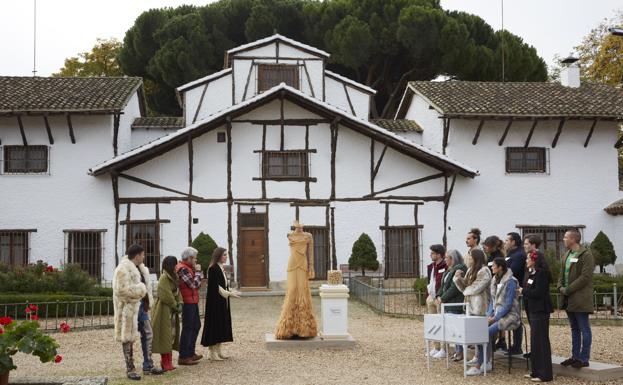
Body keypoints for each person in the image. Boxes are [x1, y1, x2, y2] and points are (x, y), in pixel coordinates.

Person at [468, 257, 521, 376]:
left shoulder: (511, 281)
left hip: (510, 315)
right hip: (497, 313)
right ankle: (486, 361)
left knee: (485, 333)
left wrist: (495, 318)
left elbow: (508, 304)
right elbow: (492, 301)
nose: (491, 267)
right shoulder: (494, 280)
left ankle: (479, 365)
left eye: (494, 266)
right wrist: (487, 315)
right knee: (479, 329)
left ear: (500, 267)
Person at [275, 220, 318, 339]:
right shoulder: (290, 235)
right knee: (292, 291)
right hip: (292, 265)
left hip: (303, 265)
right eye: (298, 226)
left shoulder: (308, 236)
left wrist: (311, 267)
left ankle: (304, 329)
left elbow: (311, 253)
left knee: (303, 291)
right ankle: (287, 328)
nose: (299, 227)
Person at [557, 230, 594, 369]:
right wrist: (560, 286)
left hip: (580, 298)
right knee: (574, 328)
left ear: (573, 239)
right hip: (568, 298)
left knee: (584, 328)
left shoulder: (586, 254)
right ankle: (575, 357)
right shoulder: (566, 254)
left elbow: (585, 277)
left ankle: (584, 358)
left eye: (566, 237)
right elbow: (561, 274)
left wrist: (568, 289)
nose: (563, 239)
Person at [113, 244, 149, 381]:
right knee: (127, 338)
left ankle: (148, 364)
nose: (144, 257)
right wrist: (140, 290)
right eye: (143, 254)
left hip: (140, 307)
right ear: (137, 255)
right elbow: (121, 291)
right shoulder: (122, 269)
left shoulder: (140, 268)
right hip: (128, 309)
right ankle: (130, 368)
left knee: (148, 333)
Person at [520, 235, 553, 382]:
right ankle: (535, 371)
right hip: (532, 309)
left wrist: (522, 291)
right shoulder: (530, 273)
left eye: (528, 258)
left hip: (540, 310)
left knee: (541, 342)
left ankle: (545, 373)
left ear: (534, 260)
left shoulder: (542, 274)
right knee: (534, 342)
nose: (526, 261)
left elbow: (538, 293)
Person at [453, 248, 492, 371]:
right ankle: (480, 358)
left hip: (481, 307)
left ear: (476, 258)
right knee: (476, 335)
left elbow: (476, 288)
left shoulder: (484, 270)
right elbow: (465, 286)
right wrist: (458, 278)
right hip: (471, 307)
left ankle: (487, 361)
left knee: (484, 336)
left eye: (470, 257)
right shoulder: (470, 270)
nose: (467, 259)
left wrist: (465, 291)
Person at [201, 247, 241, 360]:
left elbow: (223, 285)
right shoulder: (213, 268)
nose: (226, 257)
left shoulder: (220, 267)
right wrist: (229, 294)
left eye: (226, 255)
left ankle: (219, 350)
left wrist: (231, 291)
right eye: (224, 255)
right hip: (215, 302)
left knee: (221, 324)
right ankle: (212, 352)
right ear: (218, 255)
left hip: (222, 301)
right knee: (215, 324)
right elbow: (216, 287)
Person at [152, 255, 183, 372]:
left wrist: (180, 302)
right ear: (171, 265)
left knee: (172, 334)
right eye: (175, 264)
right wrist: (175, 305)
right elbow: (166, 294)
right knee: (166, 335)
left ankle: (168, 361)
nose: (177, 266)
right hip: (164, 310)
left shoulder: (174, 276)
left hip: (171, 310)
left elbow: (177, 292)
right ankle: (165, 362)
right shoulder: (164, 278)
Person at [435, 249, 467, 361]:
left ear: (452, 259)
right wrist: (438, 295)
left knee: (457, 329)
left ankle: (460, 352)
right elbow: (442, 285)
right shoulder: (449, 269)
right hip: (447, 303)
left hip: (454, 302)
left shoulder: (460, 268)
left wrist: (443, 298)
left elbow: (454, 288)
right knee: (452, 329)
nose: (445, 259)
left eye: (447, 257)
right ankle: (457, 351)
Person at [176, 246, 204, 365]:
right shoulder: (183, 269)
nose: (196, 261)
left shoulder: (187, 268)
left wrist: (197, 275)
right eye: (195, 259)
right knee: (188, 328)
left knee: (196, 325)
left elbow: (197, 284)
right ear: (190, 258)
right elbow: (193, 285)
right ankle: (183, 356)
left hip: (192, 300)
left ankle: (190, 353)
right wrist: (198, 272)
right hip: (188, 302)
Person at [504, 232, 527, 355]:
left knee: (516, 318)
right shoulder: (510, 254)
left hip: (515, 291)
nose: (505, 242)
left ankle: (517, 346)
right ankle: (512, 344)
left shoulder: (519, 255)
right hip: (507, 290)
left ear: (513, 242)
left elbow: (511, 271)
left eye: (507, 240)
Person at [483, 235, 507, 351]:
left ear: (492, 246)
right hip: (492, 287)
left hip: (497, 289)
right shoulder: (490, 256)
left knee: (494, 314)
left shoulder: (498, 256)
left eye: (487, 246)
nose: (485, 248)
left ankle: (496, 340)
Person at [426, 244, 448, 358]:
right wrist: (428, 296)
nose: (431, 255)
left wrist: (441, 296)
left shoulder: (445, 265)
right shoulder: (431, 266)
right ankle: (436, 347)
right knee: (433, 323)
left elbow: (445, 283)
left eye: (433, 253)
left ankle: (444, 349)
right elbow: (429, 281)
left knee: (442, 323)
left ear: (439, 254)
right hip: (431, 297)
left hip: (440, 298)